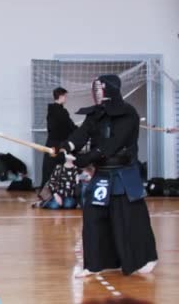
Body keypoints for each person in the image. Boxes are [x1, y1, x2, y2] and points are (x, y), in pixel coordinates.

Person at [59, 74, 158, 277]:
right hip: (102, 175)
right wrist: (66, 147)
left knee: (130, 219)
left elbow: (111, 145)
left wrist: (82, 160)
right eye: (95, 88)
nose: (97, 92)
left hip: (124, 174)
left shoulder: (128, 114)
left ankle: (146, 258)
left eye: (101, 88)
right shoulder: (95, 114)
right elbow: (81, 135)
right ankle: (95, 263)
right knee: (94, 218)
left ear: (110, 89)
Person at [41, 87, 77, 188]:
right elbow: (71, 126)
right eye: (65, 96)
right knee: (62, 168)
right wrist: (82, 132)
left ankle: (45, 191)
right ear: (61, 96)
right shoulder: (62, 112)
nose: (66, 98)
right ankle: (60, 191)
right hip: (60, 145)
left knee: (49, 168)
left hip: (51, 144)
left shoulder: (51, 110)